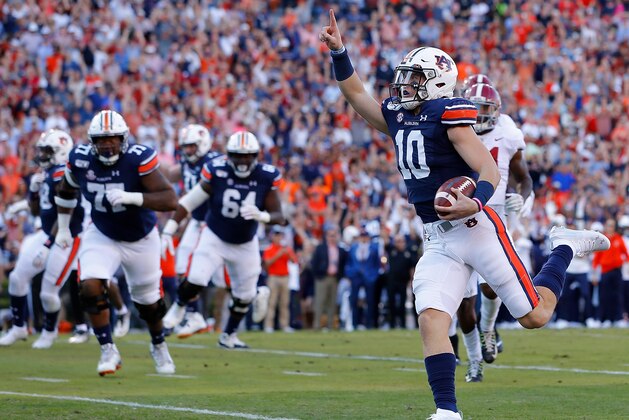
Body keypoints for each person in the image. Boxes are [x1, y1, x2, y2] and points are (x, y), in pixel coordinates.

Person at [319, 10, 610, 419]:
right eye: (405, 75)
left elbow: (489, 171)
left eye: (414, 77)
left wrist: (475, 202)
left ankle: (563, 245)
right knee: (432, 317)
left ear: (437, 81)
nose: (404, 84)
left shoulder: (449, 114)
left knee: (535, 316)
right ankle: (447, 411)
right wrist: (340, 52)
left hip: (476, 227)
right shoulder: (401, 116)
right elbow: (356, 95)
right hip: (436, 236)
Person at [55, 110, 178, 376]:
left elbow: (170, 199)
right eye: (101, 139)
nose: (108, 144)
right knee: (89, 285)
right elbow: (65, 191)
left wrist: (133, 198)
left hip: (142, 237)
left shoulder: (138, 159)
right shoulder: (80, 159)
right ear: (92, 141)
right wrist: (63, 228)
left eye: (113, 138)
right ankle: (108, 348)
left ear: (123, 139)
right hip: (103, 233)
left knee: (149, 304)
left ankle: (158, 344)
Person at [160, 130, 285, 349]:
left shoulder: (266, 176)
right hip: (215, 236)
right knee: (196, 278)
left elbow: (280, 216)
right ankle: (179, 308)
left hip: (245, 242)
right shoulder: (217, 171)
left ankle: (229, 336)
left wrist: (262, 215)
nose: (243, 160)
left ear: (256, 155)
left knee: (244, 296)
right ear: (229, 155)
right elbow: (189, 201)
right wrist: (168, 231)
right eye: (237, 155)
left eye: (247, 155)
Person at [453, 82, 534, 376]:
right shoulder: (454, 130)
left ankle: (488, 330)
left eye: (484, 108)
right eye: (473, 107)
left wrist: (524, 198)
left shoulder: (508, 134)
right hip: (460, 221)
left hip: (493, 218)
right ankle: (474, 362)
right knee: (464, 302)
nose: (478, 114)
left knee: (492, 285)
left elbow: (524, 178)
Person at [0, 129, 83, 349]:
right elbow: (39, 212)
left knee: (48, 292)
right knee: (18, 279)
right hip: (46, 233)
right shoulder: (49, 173)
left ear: (61, 152)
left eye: (47, 151)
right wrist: (34, 193)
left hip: (67, 238)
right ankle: (18, 328)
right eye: (42, 150)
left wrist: (47, 245)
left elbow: (65, 213)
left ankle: (49, 331)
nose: (42, 155)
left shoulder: (63, 174)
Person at [162, 123, 221, 338]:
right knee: (181, 267)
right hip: (196, 221)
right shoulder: (188, 163)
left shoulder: (213, 162)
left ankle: (193, 315)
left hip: (212, 222)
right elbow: (170, 174)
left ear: (203, 144)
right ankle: (194, 315)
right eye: (185, 147)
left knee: (216, 276)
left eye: (191, 147)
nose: (187, 151)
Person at [310, 226, 347, 330]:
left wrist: (340, 276)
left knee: (332, 302)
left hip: (334, 278)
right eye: (331, 236)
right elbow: (314, 263)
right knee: (320, 301)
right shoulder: (320, 248)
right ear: (326, 236)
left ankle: (331, 325)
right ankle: (317, 325)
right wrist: (318, 275)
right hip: (322, 278)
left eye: (334, 236)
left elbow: (342, 264)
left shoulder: (340, 250)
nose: (332, 238)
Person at [262, 225, 298, 333]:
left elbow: (294, 261)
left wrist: (287, 253)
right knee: (271, 302)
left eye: (280, 235)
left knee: (284, 303)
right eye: (276, 235)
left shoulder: (286, 248)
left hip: (285, 277)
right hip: (273, 277)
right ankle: (268, 325)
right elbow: (267, 263)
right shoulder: (269, 249)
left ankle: (284, 325)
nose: (278, 238)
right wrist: (278, 255)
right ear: (273, 237)